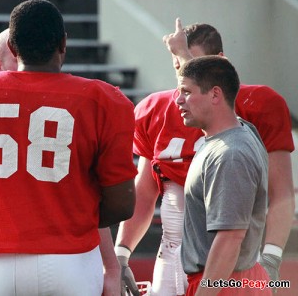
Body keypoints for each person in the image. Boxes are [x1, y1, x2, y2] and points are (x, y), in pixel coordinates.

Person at [0, 0, 136, 296]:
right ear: (63, 44)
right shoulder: (103, 100)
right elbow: (122, 204)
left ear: (13, 49)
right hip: (71, 261)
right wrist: (72, 217)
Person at [115, 19, 295, 295]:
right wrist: (121, 252)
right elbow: (144, 192)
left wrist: (270, 256)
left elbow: (280, 195)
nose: (182, 76)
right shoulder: (157, 109)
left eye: (191, 64)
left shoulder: (247, 111)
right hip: (175, 256)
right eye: (178, 65)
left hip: (233, 263)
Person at [0, 27, 123, 296]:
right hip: (47, 259)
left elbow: (90, 198)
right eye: (18, 57)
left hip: (4, 261)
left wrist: (111, 266)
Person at [177, 55, 270, 295]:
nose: (178, 100)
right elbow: (211, 80)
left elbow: (230, 239)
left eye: (186, 92)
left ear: (216, 94)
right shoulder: (239, 129)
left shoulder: (230, 155)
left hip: (225, 282)